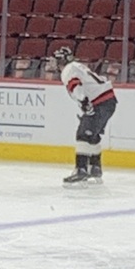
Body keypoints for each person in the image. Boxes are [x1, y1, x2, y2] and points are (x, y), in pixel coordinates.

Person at [52, 46, 118, 185]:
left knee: (83, 134)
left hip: (99, 102)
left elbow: (75, 85)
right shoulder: (77, 66)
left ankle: (81, 170)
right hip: (108, 101)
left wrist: (84, 102)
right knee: (93, 134)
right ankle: (95, 168)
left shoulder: (68, 70)